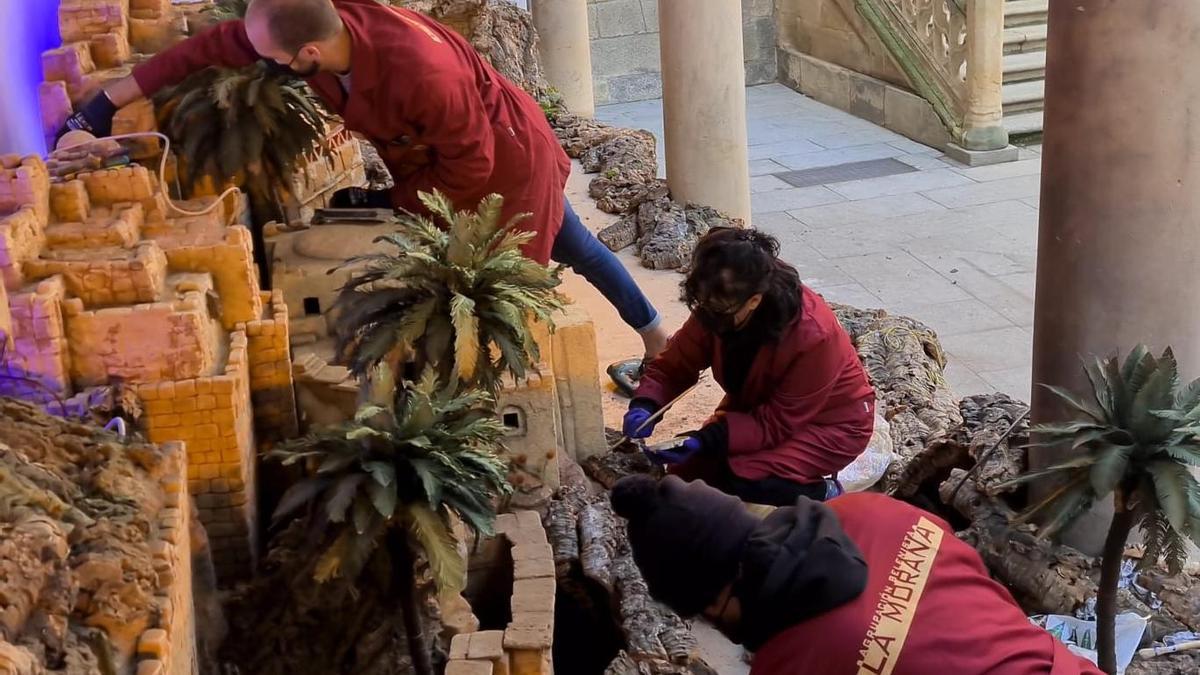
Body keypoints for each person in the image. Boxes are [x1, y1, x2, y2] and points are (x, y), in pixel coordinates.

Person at [61, 0, 669, 365]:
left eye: (277, 65)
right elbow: (218, 47)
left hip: (506, 161)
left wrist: (388, 202)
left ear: (304, 56)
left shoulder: (422, 73)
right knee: (578, 241)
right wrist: (108, 103)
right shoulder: (322, 25)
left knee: (510, 276)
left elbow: (470, 171)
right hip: (458, 149)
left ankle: (538, 374)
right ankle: (656, 336)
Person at [611, 474, 1106, 675]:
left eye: (706, 613)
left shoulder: (796, 660)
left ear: (718, 593)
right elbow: (984, 592)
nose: (714, 624)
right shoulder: (871, 509)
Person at [621, 227, 874, 505]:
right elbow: (675, 365)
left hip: (830, 423)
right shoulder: (719, 302)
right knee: (688, 473)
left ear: (754, 300)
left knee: (745, 476)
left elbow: (778, 421)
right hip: (758, 408)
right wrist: (646, 404)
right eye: (703, 303)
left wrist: (710, 438)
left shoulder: (814, 334)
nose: (708, 315)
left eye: (719, 308)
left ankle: (825, 493)